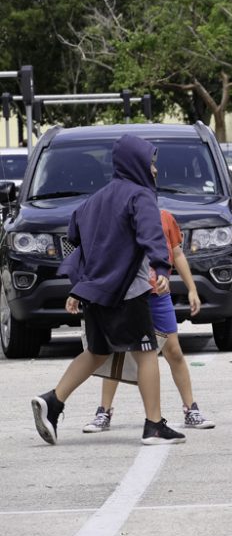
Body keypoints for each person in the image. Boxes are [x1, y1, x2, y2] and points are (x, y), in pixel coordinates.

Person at [30, 134, 186, 446]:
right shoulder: (140, 196)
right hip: (127, 292)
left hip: (95, 291)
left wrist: (81, 285)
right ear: (136, 164)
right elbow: (152, 233)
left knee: (97, 351)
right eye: (150, 164)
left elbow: (76, 233)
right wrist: (159, 266)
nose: (154, 170)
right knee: (146, 353)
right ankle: (154, 425)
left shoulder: (95, 199)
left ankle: (53, 401)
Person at [82, 208, 215, 434]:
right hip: (129, 296)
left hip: (158, 297)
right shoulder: (120, 217)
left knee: (173, 351)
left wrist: (192, 289)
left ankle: (191, 408)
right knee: (117, 352)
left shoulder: (165, 217)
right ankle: (103, 411)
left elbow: (177, 254)